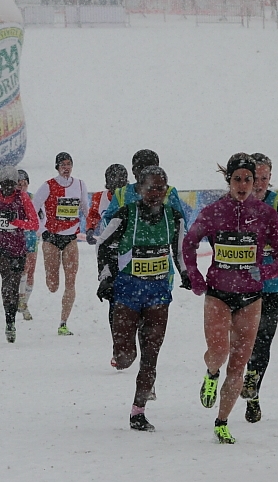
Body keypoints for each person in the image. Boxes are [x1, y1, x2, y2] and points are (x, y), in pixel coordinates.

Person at [183, 153, 278, 444]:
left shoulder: (266, 214)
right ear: (228, 181)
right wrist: (195, 275)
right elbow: (189, 242)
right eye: (237, 179)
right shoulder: (214, 211)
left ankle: (222, 421)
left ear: (256, 182)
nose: (243, 185)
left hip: (251, 297)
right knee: (219, 352)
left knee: (239, 365)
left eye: (248, 179)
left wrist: (265, 271)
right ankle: (210, 372)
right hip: (218, 294)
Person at [98, 166, 188, 431]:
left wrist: (186, 274)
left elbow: (179, 250)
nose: (156, 193)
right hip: (127, 291)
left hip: (158, 292)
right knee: (127, 357)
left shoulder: (173, 217)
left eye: (161, 188)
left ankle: (138, 412)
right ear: (139, 189)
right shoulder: (126, 215)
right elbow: (103, 244)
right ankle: (122, 349)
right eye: (151, 187)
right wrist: (105, 278)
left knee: (151, 355)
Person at [240, 153, 278, 423]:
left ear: (270, 178)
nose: (259, 183)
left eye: (264, 177)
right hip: (237, 288)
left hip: (269, 287)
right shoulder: (234, 204)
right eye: (255, 178)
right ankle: (221, 378)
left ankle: (254, 393)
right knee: (239, 343)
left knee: (262, 343)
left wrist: (260, 262)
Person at [32, 152, 89, 335]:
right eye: (63, 164)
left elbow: (86, 209)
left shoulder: (79, 185)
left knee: (71, 281)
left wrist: (92, 227)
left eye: (69, 164)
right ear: (57, 166)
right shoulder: (48, 185)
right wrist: (41, 229)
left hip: (71, 238)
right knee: (53, 284)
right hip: (51, 239)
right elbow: (33, 208)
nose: (66, 167)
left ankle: (63, 322)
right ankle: (51, 279)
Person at [0, 166, 39, 342]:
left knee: (13, 284)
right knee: (8, 279)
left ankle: (10, 319)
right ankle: (9, 320)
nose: (7, 189)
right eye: (4, 184)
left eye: (11, 185)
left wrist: (17, 222)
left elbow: (34, 224)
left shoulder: (23, 198)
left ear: (15, 185)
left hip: (18, 247)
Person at [16, 169, 39, 320]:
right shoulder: (12, 200)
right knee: (23, 270)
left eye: (24, 184)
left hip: (31, 237)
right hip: (18, 237)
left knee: (31, 272)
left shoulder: (33, 198)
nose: (22, 187)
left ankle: (24, 304)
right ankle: (21, 300)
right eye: (19, 185)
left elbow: (40, 216)